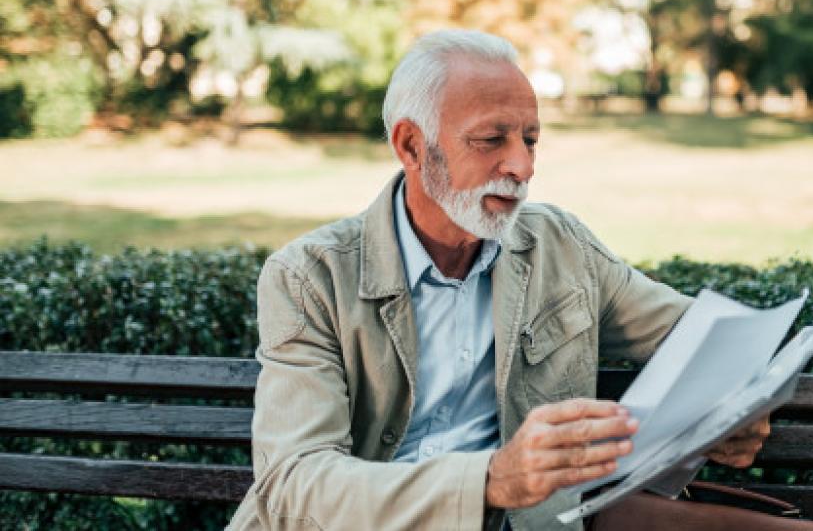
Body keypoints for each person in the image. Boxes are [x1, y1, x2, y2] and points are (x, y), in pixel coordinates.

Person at [227, 30, 771, 531]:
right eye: (491, 140)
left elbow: (702, 336)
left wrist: (738, 404)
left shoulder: (562, 247)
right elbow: (295, 482)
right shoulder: (312, 277)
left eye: (531, 141)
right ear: (411, 146)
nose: (522, 166)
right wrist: (491, 480)